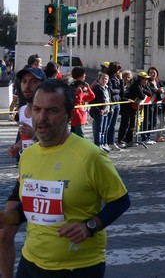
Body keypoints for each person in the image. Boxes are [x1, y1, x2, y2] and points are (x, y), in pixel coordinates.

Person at [0, 79, 130, 277]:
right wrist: (7, 218)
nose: (41, 118)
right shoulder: (28, 155)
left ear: (69, 116)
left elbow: (121, 201)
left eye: (52, 111)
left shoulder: (90, 156)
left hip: (78, 267)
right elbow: (32, 205)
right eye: (37, 109)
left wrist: (90, 226)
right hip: (31, 263)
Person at [0, 66, 46, 278]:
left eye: (33, 81)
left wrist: (36, 137)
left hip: (50, 181)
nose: (28, 85)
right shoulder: (22, 111)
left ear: (42, 85)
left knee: (50, 238)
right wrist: (17, 146)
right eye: (25, 81)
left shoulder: (51, 111)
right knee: (4, 233)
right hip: (25, 179)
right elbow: (23, 137)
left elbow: (62, 144)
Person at [90, 72, 111, 153]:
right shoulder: (96, 88)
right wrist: (99, 110)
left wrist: (110, 108)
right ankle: (97, 145)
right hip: (99, 112)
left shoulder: (107, 88)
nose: (104, 80)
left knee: (104, 129)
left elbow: (109, 98)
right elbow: (92, 102)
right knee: (98, 129)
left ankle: (102, 144)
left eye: (106, 79)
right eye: (102, 78)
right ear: (99, 79)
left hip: (106, 111)